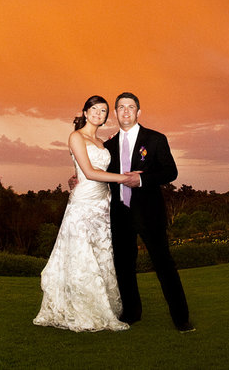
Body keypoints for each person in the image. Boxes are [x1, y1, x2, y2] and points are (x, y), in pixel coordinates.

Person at [33, 95, 141, 332]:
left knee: (100, 253)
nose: (98, 114)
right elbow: (89, 172)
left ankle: (102, 305)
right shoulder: (76, 136)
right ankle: (80, 308)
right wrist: (125, 179)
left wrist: (75, 177)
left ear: (105, 117)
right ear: (84, 112)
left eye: (103, 111)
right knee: (81, 255)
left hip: (103, 204)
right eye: (94, 109)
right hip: (84, 203)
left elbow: (83, 170)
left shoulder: (103, 142)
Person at [103, 91, 193, 333]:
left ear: (138, 112)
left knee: (164, 265)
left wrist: (141, 182)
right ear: (115, 113)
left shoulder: (155, 139)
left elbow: (170, 172)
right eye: (121, 107)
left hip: (149, 214)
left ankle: (181, 318)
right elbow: (101, 178)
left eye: (130, 107)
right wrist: (77, 181)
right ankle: (132, 313)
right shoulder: (107, 146)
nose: (125, 111)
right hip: (120, 214)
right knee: (123, 267)